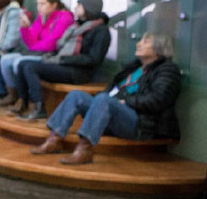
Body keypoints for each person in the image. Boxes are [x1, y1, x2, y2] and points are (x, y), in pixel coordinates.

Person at [31, 33, 181, 164]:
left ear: (159, 48)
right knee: (76, 95)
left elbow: (159, 100)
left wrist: (126, 102)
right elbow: (111, 91)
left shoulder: (167, 70)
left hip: (140, 122)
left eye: (145, 41)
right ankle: (54, 140)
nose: (138, 43)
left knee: (104, 99)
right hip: (112, 112)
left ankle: (85, 149)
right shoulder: (134, 67)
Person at [14, 0, 111, 120]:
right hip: (65, 65)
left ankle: (39, 108)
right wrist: (54, 57)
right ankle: (23, 103)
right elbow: (60, 48)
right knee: (22, 64)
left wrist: (64, 59)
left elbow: (94, 59)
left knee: (30, 67)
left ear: (88, 8)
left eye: (79, 6)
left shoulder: (101, 31)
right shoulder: (77, 26)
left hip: (78, 72)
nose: (75, 8)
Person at [0, 0, 74, 106]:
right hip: (36, 52)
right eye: (38, 4)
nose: (39, 7)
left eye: (43, 4)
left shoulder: (64, 17)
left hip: (51, 55)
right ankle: (12, 94)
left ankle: (24, 98)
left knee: (19, 62)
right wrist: (25, 29)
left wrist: (33, 47)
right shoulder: (42, 17)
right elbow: (30, 41)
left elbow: (52, 43)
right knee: (5, 60)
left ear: (54, 5)